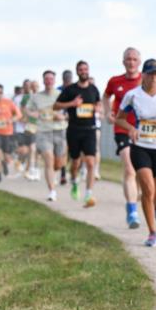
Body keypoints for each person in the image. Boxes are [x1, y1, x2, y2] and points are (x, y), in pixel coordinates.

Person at [115, 59, 156, 248]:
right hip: (141, 146)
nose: (154, 77)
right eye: (151, 73)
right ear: (143, 75)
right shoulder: (133, 95)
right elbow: (119, 119)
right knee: (147, 189)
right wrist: (131, 128)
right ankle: (152, 232)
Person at [103, 47, 144, 228]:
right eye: (128, 59)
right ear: (123, 61)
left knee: (142, 173)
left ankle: (136, 197)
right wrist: (108, 113)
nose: (131, 62)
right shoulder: (115, 81)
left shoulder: (146, 80)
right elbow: (106, 97)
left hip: (144, 131)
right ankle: (132, 210)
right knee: (129, 170)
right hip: (122, 129)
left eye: (134, 59)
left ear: (139, 62)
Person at [54, 60, 101, 207]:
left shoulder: (93, 89)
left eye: (85, 69)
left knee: (91, 162)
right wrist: (71, 104)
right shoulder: (70, 90)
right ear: (77, 72)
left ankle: (88, 194)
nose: (83, 72)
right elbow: (56, 106)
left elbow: (98, 103)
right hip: (74, 130)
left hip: (90, 130)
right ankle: (74, 182)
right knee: (75, 162)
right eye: (81, 69)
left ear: (88, 71)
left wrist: (97, 108)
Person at [26, 71, 68, 201]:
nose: (49, 81)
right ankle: (52, 191)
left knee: (59, 164)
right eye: (46, 79)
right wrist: (34, 115)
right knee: (48, 159)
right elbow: (28, 109)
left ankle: (54, 172)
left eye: (51, 79)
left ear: (54, 81)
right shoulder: (36, 97)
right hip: (43, 132)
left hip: (59, 131)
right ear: (43, 81)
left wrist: (63, 116)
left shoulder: (62, 95)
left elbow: (70, 111)